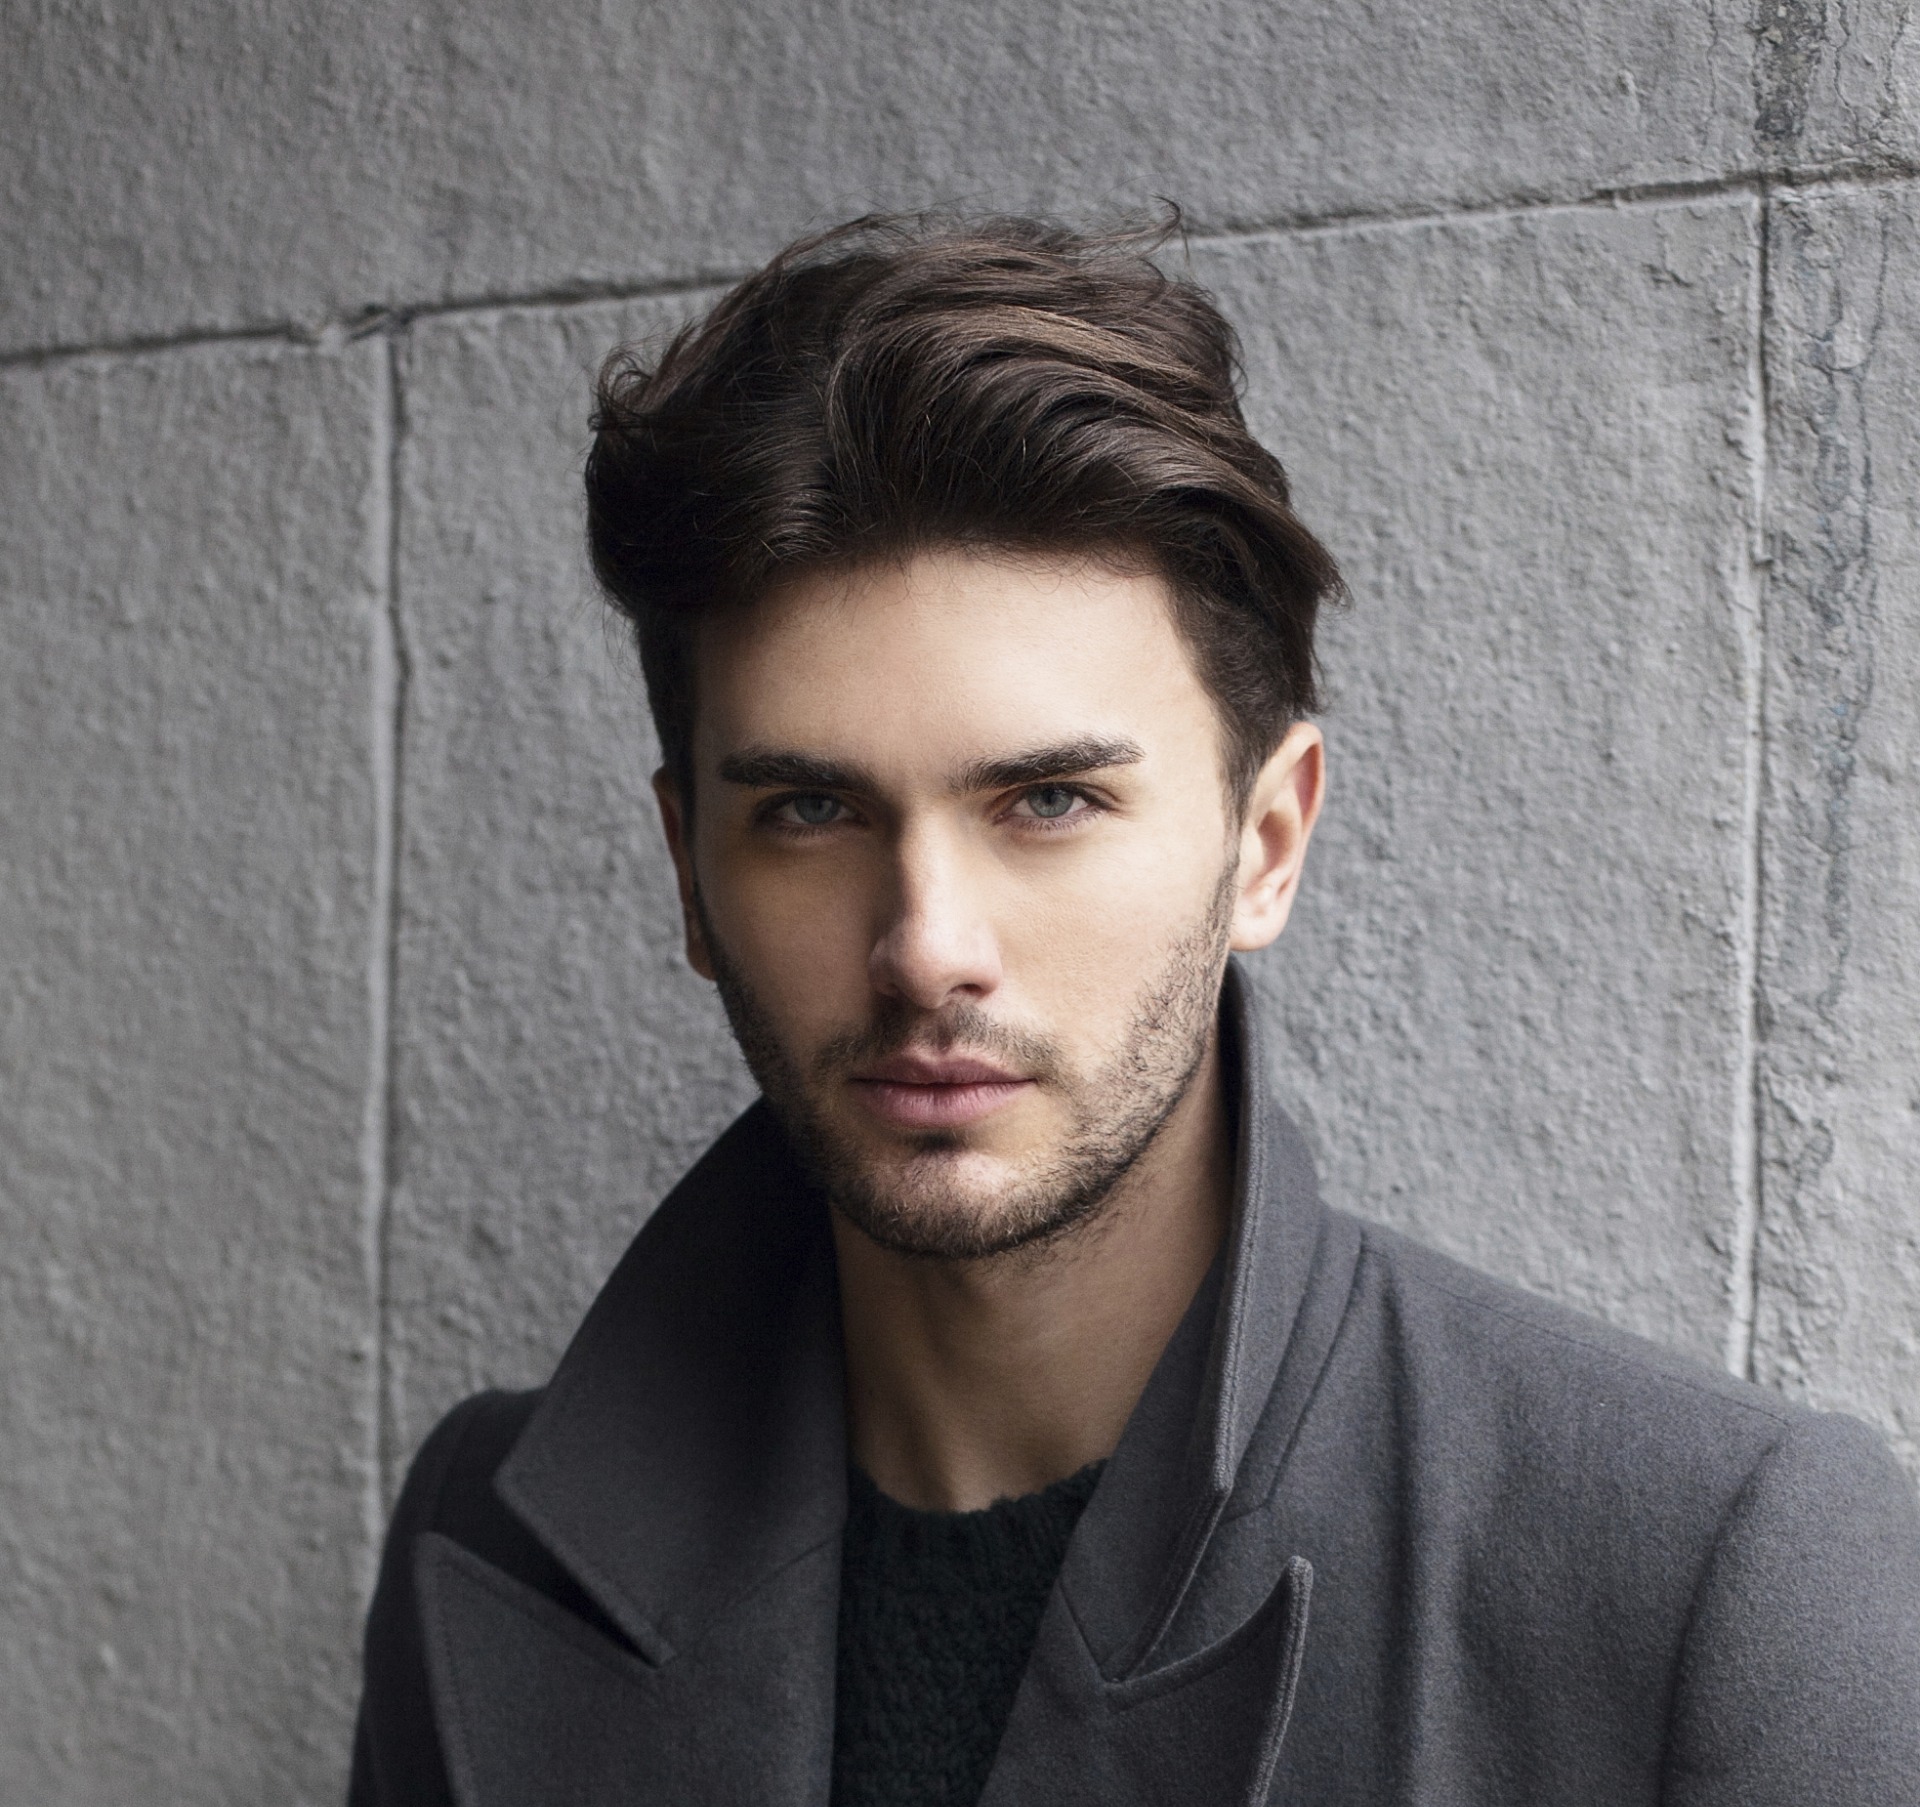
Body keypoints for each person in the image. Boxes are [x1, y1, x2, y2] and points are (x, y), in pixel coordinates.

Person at [348, 215, 1920, 1807]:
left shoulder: (1723, 1577)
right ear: (691, 871)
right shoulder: (495, 1532)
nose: (928, 948)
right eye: (811, 812)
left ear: (1267, 843)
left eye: (1047, 801)